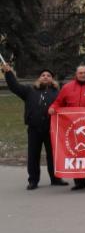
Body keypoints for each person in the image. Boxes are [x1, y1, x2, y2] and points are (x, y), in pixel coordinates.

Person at [2, 62, 67, 190]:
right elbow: (14, 87)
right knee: (33, 155)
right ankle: (33, 180)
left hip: (52, 129)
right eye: (43, 75)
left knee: (53, 155)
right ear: (39, 78)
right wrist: (8, 73)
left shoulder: (58, 93)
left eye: (48, 75)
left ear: (52, 79)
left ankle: (56, 178)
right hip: (34, 128)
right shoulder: (29, 91)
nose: (45, 76)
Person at [49, 64, 85, 190]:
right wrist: (53, 107)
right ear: (76, 74)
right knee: (76, 153)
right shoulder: (67, 87)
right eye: (81, 73)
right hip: (73, 127)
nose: (83, 75)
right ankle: (79, 182)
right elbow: (59, 101)